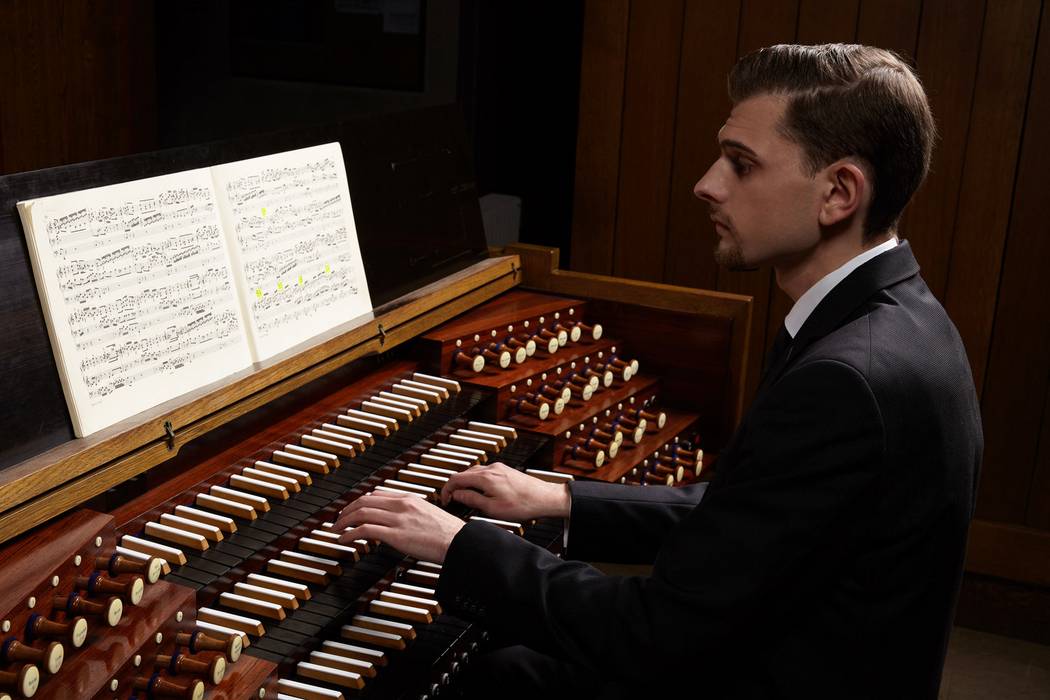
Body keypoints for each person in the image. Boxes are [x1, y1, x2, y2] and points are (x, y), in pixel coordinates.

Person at [335, 44, 982, 699]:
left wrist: (462, 546)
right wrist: (561, 499)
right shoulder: (900, 317)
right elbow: (754, 516)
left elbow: (652, 634)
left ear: (839, 192)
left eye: (742, 164)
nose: (708, 184)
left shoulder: (843, 379)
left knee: (483, 677)